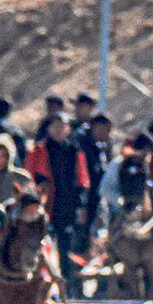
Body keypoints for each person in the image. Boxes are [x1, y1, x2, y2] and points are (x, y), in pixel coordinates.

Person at [26, 114, 91, 276]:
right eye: (55, 126)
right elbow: (30, 177)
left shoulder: (74, 151)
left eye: (63, 127)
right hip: (44, 205)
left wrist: (80, 205)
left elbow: (82, 180)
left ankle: (69, 284)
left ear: (68, 129)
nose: (59, 130)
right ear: (48, 128)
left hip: (67, 206)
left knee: (67, 247)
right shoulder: (39, 151)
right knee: (39, 244)